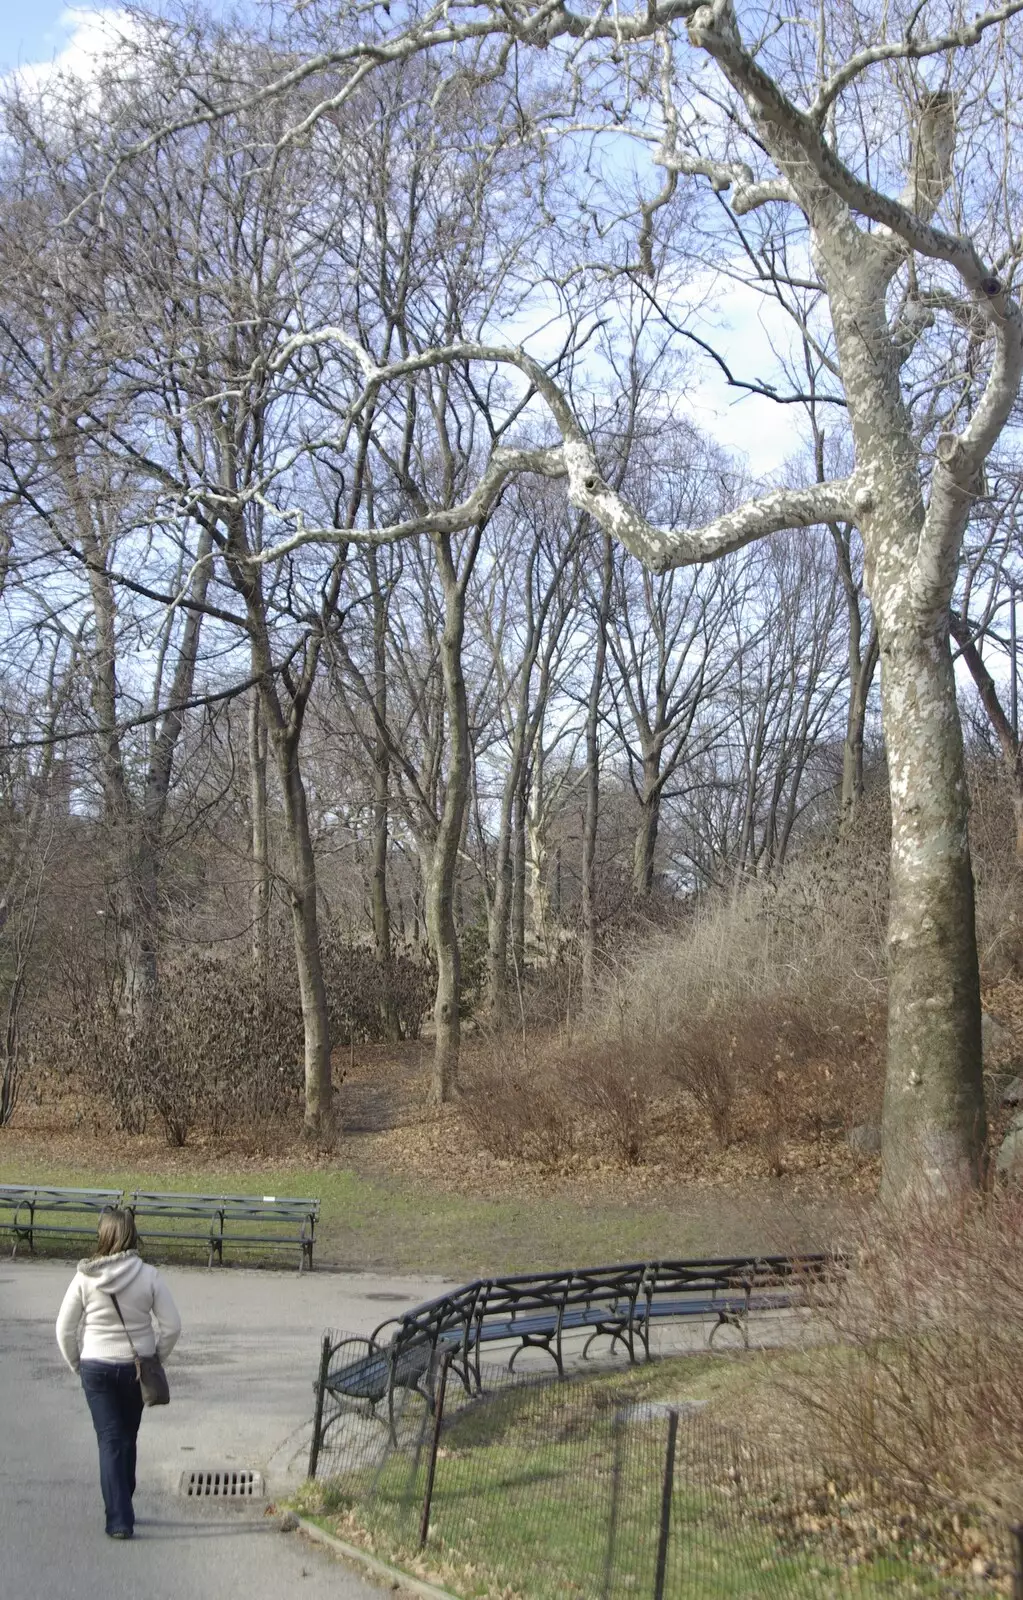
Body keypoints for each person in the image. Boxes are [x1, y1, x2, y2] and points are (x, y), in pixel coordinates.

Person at [56, 1206, 181, 1540]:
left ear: (104, 1234)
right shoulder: (149, 1275)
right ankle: (123, 1509)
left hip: (96, 1366)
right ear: (131, 1233)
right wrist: (155, 1358)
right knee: (126, 1436)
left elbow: (64, 1329)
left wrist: (77, 1364)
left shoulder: (85, 1276)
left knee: (111, 1440)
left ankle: (119, 1517)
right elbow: (171, 1326)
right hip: (136, 1367)